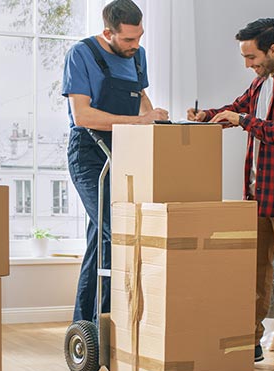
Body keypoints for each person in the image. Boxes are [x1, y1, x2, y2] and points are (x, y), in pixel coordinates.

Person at [187, 18, 274, 371]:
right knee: (255, 272)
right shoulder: (262, 83)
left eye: (251, 56)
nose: (248, 64)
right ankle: (252, 341)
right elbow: (236, 109)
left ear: (273, 49)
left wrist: (243, 119)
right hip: (258, 195)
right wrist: (208, 116)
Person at [62, 0, 168, 324]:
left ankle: (90, 324)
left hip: (124, 151)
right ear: (108, 32)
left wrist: (159, 122)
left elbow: (142, 102)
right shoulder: (81, 54)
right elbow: (82, 115)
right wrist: (141, 122)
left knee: (101, 238)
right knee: (118, 229)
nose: (135, 46)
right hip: (89, 154)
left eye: (140, 38)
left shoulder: (139, 56)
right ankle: (113, 319)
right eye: (128, 40)